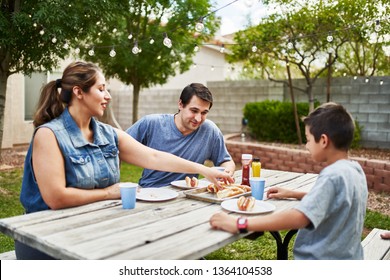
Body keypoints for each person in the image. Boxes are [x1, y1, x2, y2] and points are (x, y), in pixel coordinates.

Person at [16, 61, 234, 260]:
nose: (108, 95)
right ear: (78, 92)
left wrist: (204, 170)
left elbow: (154, 156)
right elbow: (56, 198)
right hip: (47, 240)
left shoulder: (107, 133)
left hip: (94, 233)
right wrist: (110, 192)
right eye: (101, 89)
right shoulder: (49, 135)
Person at [210, 102, 369, 260]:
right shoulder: (354, 170)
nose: (306, 146)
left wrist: (241, 223)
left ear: (323, 141)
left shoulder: (332, 175)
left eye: (308, 139)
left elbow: (298, 217)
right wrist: (294, 193)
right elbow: (336, 200)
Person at [126, 83, 236, 188]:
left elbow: (225, 160)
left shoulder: (210, 131)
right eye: (194, 110)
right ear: (180, 104)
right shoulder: (151, 123)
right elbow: (119, 146)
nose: (198, 118)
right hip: (150, 192)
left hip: (188, 196)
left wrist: (227, 171)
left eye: (204, 113)